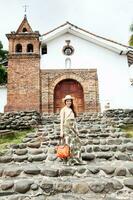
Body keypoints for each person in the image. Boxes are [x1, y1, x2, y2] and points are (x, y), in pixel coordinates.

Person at [59, 94, 83, 165]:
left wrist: (77, 130)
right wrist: (61, 131)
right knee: (68, 144)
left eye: (70, 101)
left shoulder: (72, 110)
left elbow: (74, 122)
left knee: (76, 144)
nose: (69, 102)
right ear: (65, 102)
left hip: (73, 129)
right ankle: (68, 161)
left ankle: (76, 160)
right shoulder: (63, 110)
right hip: (66, 128)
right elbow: (61, 121)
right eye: (67, 101)